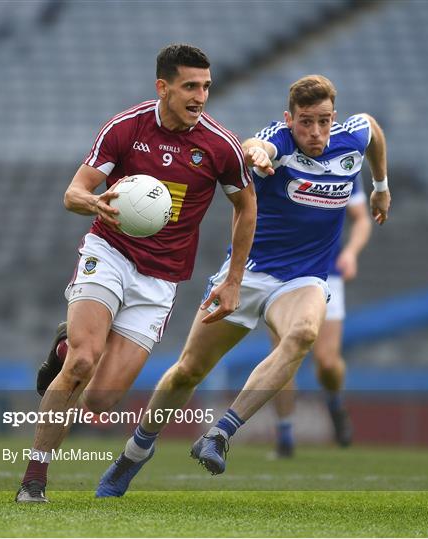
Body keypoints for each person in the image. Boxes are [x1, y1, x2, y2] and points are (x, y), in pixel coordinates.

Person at [95, 74, 390, 496]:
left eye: (324, 121)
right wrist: (257, 155)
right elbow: (257, 145)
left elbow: (374, 130)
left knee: (304, 333)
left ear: (335, 118)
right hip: (247, 274)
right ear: (289, 119)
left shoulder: (353, 136)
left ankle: (220, 434)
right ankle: (135, 453)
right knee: (186, 372)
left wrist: (380, 187)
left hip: (303, 278)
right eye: (305, 122)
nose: (316, 133)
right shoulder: (280, 142)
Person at [15, 44, 257, 503]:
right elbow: (74, 192)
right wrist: (97, 203)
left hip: (159, 280)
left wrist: (233, 280)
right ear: (162, 87)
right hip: (109, 253)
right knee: (83, 362)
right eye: (190, 86)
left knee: (101, 401)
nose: (200, 96)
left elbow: (247, 207)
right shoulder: (125, 127)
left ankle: (67, 340)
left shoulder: (220, 146)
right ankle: (34, 480)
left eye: (206, 86)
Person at [271, 178, 372, 456]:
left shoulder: (344, 164)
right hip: (281, 271)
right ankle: (285, 434)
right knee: (282, 355)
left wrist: (351, 253)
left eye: (322, 128)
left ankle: (334, 400)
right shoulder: (281, 154)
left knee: (327, 362)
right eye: (308, 128)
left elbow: (362, 219)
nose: (315, 132)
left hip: (326, 273)